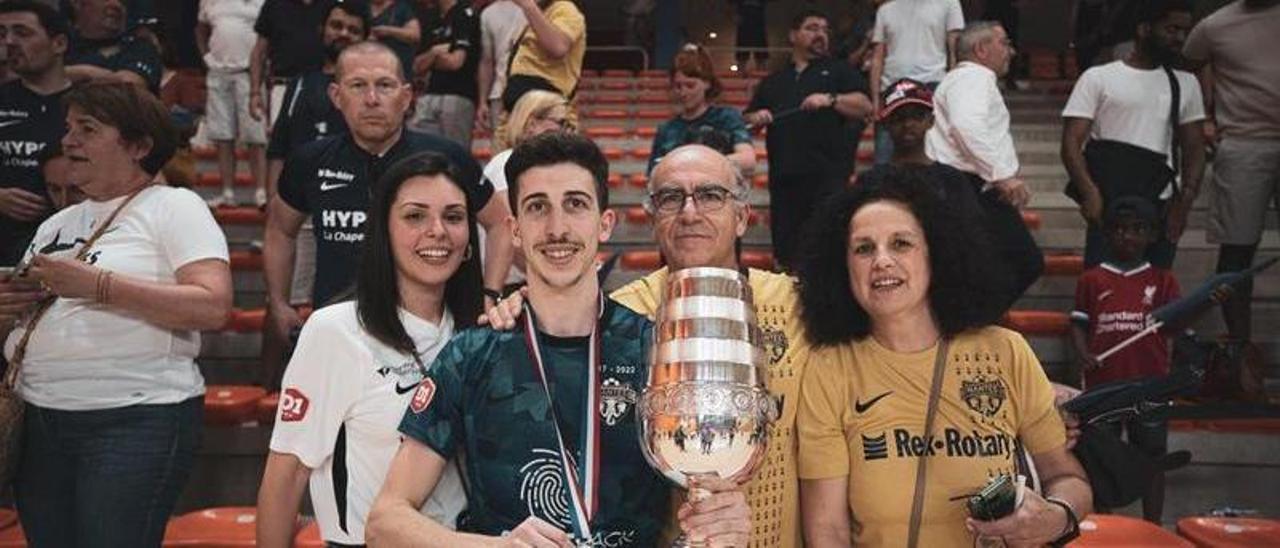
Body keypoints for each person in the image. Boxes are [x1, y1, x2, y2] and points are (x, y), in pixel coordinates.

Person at [366, 132, 752, 547]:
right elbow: (385, 521)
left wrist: (720, 519)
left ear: (605, 223)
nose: (556, 228)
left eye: (575, 204)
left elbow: (700, 490)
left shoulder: (658, 353)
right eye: (537, 208)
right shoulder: (471, 354)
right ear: (514, 229)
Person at [482, 143, 810, 547]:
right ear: (653, 219)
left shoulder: (798, 305)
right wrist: (518, 303)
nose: (690, 213)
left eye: (710, 195)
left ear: (743, 216)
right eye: (671, 198)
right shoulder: (621, 315)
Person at [795, 174, 1092, 547]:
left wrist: (1054, 517)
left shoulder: (1005, 352)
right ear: (843, 269)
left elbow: (1069, 480)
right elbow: (828, 532)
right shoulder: (830, 369)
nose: (882, 261)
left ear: (936, 254)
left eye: (901, 244)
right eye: (863, 249)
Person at [0, 81, 232, 547]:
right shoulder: (55, 224)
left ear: (139, 145)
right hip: (39, 417)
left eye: (87, 128)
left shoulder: (174, 206)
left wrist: (100, 287)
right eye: (68, 128)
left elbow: (213, 306)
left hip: (134, 416)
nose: (68, 141)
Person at [256, 152, 482, 547]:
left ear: (469, 242)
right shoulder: (335, 332)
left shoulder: (479, 335)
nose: (437, 231)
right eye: (415, 216)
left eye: (453, 216)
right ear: (383, 232)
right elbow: (287, 473)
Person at [262, 42, 509, 364]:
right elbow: (279, 229)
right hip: (343, 334)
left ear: (406, 97)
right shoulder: (310, 160)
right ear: (336, 96)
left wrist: (490, 294)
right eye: (358, 86)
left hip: (436, 337)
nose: (372, 99)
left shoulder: (446, 157)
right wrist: (279, 302)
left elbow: (501, 222)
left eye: (384, 85)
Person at [1067, 197, 1227, 523]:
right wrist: (1085, 354)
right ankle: (1104, 522)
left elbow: (1176, 326)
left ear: (1152, 235)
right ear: (1108, 235)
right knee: (1101, 458)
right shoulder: (1092, 279)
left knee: (1153, 455)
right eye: (1120, 230)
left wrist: (1207, 304)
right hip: (1105, 384)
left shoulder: (1163, 280)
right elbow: (1079, 324)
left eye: (1138, 229)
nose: (1128, 236)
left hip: (1150, 384)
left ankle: (1153, 525)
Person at [1062, 0, 1205, 270]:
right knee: (1102, 288)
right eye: (1172, 29)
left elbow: (1194, 148)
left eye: (1184, 31)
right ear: (1144, 29)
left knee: (1154, 292)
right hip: (1109, 198)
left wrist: (1184, 202)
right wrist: (1089, 192)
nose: (1180, 38)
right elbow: (1071, 142)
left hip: (1159, 199)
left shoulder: (1186, 83)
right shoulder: (1098, 77)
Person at [743, 9, 873, 271]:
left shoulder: (840, 71)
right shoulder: (774, 80)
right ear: (793, 35)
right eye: (812, 28)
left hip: (828, 179)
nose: (820, 35)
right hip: (785, 180)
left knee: (828, 253)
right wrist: (756, 117)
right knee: (786, 256)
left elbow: (865, 106)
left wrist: (831, 99)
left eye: (825, 30)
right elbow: (746, 122)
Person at [926, 21, 1043, 308]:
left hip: (964, 182)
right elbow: (967, 127)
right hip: (968, 183)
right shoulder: (974, 77)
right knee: (1023, 261)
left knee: (984, 265)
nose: (1011, 52)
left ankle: (967, 324)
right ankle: (970, 325)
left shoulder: (963, 79)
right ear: (981, 49)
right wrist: (1001, 175)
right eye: (1004, 43)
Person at [1182, 0, 1280, 341]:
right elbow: (1188, 63)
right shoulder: (1215, 26)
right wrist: (1205, 114)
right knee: (1237, 253)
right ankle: (1240, 352)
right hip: (1242, 141)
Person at [0, 1, 71, 266]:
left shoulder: (93, 104)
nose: (9, 42)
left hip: (74, 243)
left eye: (22, 32)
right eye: (2, 33)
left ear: (59, 44)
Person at [480, 89, 569, 287]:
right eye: (559, 122)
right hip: (508, 286)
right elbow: (509, 231)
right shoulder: (505, 164)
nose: (564, 131)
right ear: (531, 123)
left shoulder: (538, 168)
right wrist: (551, 279)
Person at [867, 0, 964, 165]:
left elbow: (955, 49)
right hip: (892, 86)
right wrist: (875, 100)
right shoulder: (886, 10)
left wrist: (954, 89)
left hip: (932, 83)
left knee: (934, 154)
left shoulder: (949, 4)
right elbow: (877, 57)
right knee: (884, 157)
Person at [196, 0, 268, 209]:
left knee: (255, 136)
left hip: (249, 73)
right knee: (222, 135)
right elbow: (200, 30)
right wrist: (206, 57)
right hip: (217, 72)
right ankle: (227, 192)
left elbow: (268, 35)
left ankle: (260, 192)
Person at [647, 44, 755, 176]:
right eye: (678, 86)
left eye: (690, 85)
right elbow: (653, 174)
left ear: (707, 83)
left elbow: (748, 161)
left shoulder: (727, 118)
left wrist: (696, 163)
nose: (683, 92)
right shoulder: (667, 129)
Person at [411, 0, 480, 147]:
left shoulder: (465, 13)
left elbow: (455, 62)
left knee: (455, 154)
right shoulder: (430, 16)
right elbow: (417, 66)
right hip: (429, 94)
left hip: (458, 95)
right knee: (421, 151)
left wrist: (429, 60)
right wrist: (435, 52)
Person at [249, 0, 327, 126]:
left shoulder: (332, 5)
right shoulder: (273, 5)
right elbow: (259, 52)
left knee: (321, 143)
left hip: (321, 88)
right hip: (282, 88)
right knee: (280, 143)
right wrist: (255, 92)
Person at [501, 0, 585, 115]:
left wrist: (529, 6)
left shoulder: (566, 9)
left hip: (546, 111)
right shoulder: (538, 13)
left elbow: (558, 47)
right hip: (520, 109)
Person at [64, 0, 161, 92]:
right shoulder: (60, 45)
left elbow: (131, 86)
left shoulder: (140, 48)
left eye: (123, 1)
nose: (116, 4)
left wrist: (83, 73)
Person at [475, 0, 525, 132]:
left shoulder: (540, 6)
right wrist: (482, 101)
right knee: (501, 148)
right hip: (500, 92)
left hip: (532, 90)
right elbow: (487, 61)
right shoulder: (488, 13)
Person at [369, 0, 420, 81]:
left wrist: (389, 31)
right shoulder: (360, 6)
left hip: (397, 65)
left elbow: (414, 35)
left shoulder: (402, 8)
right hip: (367, 62)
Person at [729, 0, 768, 72]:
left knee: (761, 53)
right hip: (744, 25)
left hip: (758, 25)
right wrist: (733, 14)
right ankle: (741, 74)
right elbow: (731, 4)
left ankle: (761, 73)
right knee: (742, 53)